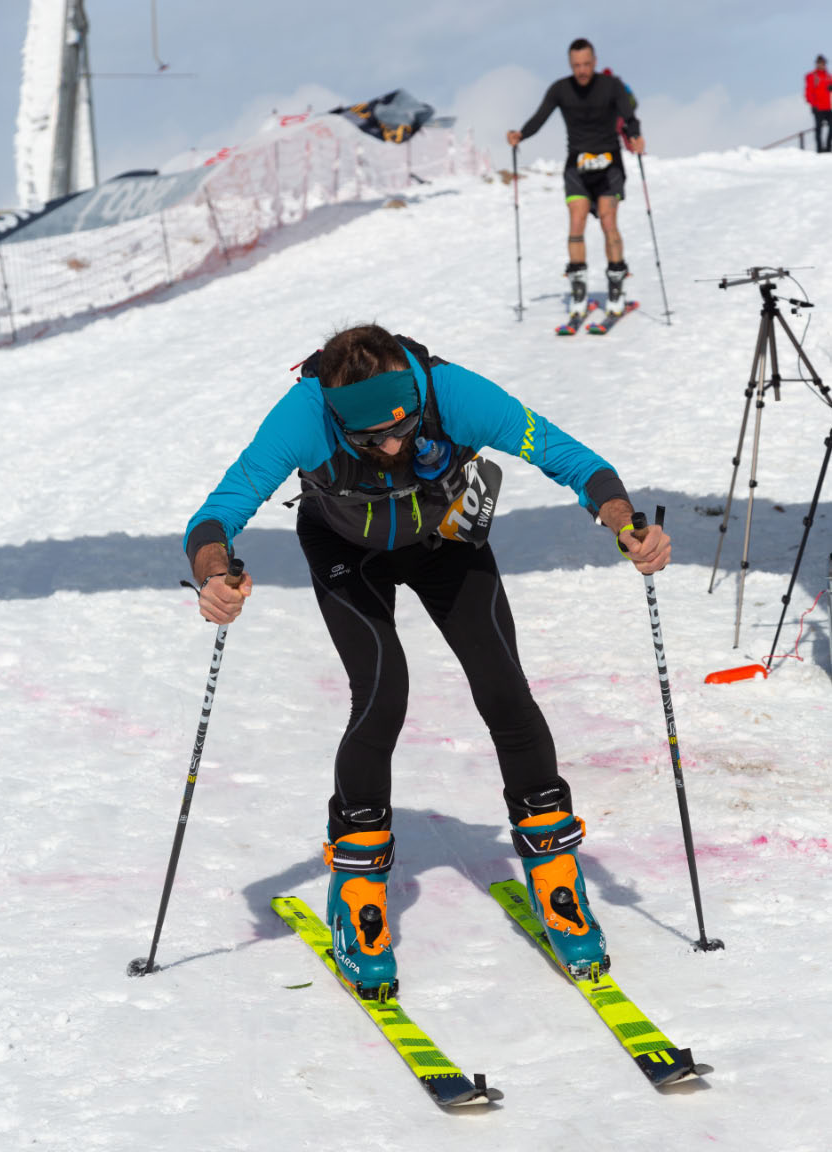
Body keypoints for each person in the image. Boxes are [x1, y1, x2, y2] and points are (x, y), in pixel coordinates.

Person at [184, 324, 670, 999]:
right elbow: (218, 514)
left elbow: (571, 458)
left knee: (504, 689)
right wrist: (214, 575)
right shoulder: (303, 414)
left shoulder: (454, 394)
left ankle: (556, 877)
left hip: (445, 538)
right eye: (369, 439)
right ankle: (357, 890)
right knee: (382, 694)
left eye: (401, 429)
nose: (390, 447)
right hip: (345, 548)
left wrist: (624, 523)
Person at [507, 38, 645, 321]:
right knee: (576, 220)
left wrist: (635, 136)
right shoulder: (560, 89)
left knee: (608, 220)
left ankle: (616, 287)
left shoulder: (611, 86)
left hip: (609, 165)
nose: (581, 70)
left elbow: (630, 117)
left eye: (586, 64)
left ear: (595, 62)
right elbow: (539, 118)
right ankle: (579, 291)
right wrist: (521, 134)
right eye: (576, 65)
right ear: (570, 65)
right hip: (577, 166)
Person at [805, 55, 832, 152]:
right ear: (817, 64)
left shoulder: (829, 77)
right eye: (820, 63)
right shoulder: (811, 76)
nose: (822, 65)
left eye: (823, 63)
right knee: (818, 129)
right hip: (818, 108)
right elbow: (809, 92)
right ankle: (820, 149)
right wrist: (813, 105)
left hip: (829, 107)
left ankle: (828, 147)